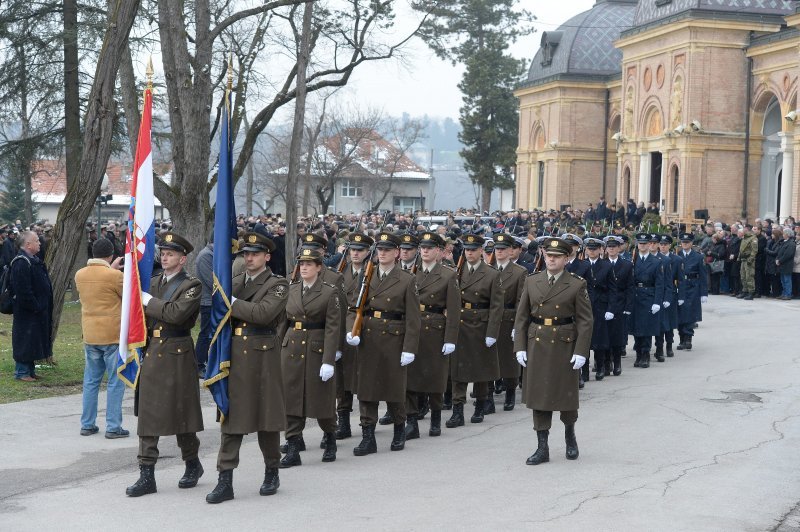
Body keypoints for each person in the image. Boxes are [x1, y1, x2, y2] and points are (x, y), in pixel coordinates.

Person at [205, 232, 289, 503]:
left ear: (267, 256)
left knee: (267, 419)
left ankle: (271, 471)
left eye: (254, 253)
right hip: (235, 358)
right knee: (232, 420)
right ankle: (225, 479)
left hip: (262, 356)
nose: (249, 258)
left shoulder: (278, 284)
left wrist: (230, 302)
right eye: (245, 254)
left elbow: (263, 314)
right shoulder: (235, 282)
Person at [126, 232, 204, 498]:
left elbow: (176, 314)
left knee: (182, 414)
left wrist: (147, 301)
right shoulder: (153, 281)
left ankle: (192, 463)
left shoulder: (192, 286)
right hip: (152, 351)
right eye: (163, 252)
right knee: (148, 415)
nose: (165, 257)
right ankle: (146, 475)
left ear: (183, 259)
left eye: (171, 254)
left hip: (177, 354)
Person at [513, 237, 593, 466]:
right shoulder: (532, 281)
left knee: (565, 396)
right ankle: (542, 446)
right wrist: (519, 346)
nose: (552, 260)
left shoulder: (576, 284)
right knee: (539, 397)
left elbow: (586, 321)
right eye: (549, 256)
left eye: (557, 257)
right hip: (537, 343)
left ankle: (570, 433)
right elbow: (521, 318)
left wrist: (581, 351)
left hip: (564, 344)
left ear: (567, 259)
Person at [345, 232, 421, 455]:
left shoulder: (407, 279)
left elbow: (413, 318)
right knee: (367, 389)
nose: (383, 253)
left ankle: (399, 429)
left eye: (387, 250)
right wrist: (352, 329)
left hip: (394, 337)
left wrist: (409, 348)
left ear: (397, 253)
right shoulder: (367, 276)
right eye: (380, 250)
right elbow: (354, 307)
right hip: (369, 336)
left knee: (393, 388)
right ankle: (368, 436)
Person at [278, 248, 342, 469]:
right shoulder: (291, 289)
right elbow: (282, 323)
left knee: (321, 399)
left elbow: (333, 328)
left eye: (309, 263)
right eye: (301, 263)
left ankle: (331, 438)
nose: (304, 267)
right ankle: (293, 446)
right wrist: (277, 350)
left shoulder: (328, 292)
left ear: (318, 267)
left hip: (316, 348)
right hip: (292, 347)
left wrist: (329, 359)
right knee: (292, 400)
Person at [403, 232, 460, 438]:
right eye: (422, 248)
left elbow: (454, 309)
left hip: (435, 329)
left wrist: (450, 338)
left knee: (435, 377)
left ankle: (436, 418)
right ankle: (411, 420)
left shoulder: (448, 274)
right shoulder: (410, 273)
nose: (425, 251)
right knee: (409, 377)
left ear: (439, 251)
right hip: (412, 329)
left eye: (429, 248)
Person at [446, 234, 502, 428]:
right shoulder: (457, 272)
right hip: (461, 323)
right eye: (467, 250)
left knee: (480, 370)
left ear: (481, 251)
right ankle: (457, 410)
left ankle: (480, 406)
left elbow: (496, 306)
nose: (469, 253)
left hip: (480, 324)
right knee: (458, 370)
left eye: (473, 250)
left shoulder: (492, 274)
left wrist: (492, 332)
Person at [74, 237, 128, 438]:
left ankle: (87, 424)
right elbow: (126, 297)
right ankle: (113, 426)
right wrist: (114, 270)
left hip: (90, 333)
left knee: (91, 381)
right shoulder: (115, 276)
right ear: (111, 254)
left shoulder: (80, 275)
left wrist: (111, 268)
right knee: (115, 381)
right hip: (112, 334)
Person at [9, 231, 53, 381]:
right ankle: (22, 372)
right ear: (28, 244)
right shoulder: (21, 262)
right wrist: (35, 306)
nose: (39, 243)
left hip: (37, 311)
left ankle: (30, 371)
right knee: (25, 340)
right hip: (27, 312)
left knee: (33, 340)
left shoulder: (34, 259)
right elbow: (23, 291)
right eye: (36, 241)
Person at [492, 234, 528, 409]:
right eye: (497, 249)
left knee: (509, 359)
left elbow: (521, 301)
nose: (499, 252)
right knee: (489, 357)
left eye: (503, 249)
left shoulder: (519, 272)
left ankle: (510, 391)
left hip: (508, 318)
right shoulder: (488, 269)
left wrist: (517, 326)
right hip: (489, 318)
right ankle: (488, 390)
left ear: (510, 251)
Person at [628, 233, 665, 368]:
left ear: (650, 245)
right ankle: (638, 355)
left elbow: (660, 284)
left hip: (649, 296)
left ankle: (645, 355)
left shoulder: (656, 262)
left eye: (645, 244)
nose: (642, 246)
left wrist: (657, 302)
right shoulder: (633, 260)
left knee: (646, 328)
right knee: (636, 328)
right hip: (635, 296)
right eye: (640, 243)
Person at [583, 237, 616, 381]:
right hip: (585, 305)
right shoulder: (583, 265)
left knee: (599, 338)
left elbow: (612, 289)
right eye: (589, 249)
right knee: (584, 339)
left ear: (600, 250)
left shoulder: (607, 266)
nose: (592, 251)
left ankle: (601, 366)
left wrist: (611, 308)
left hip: (601, 305)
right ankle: (584, 371)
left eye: (594, 249)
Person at [603, 235, 634, 376]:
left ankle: (617, 362)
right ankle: (606, 362)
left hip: (620, 303)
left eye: (614, 247)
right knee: (605, 334)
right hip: (605, 303)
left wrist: (628, 307)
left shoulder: (627, 264)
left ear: (619, 248)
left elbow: (630, 288)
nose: (611, 249)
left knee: (617, 335)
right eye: (609, 247)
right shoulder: (602, 263)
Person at [675, 233, 708, 350]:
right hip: (680, 287)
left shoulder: (698, 257)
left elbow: (703, 276)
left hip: (693, 286)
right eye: (683, 242)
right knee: (680, 314)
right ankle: (681, 338)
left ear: (691, 243)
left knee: (690, 313)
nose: (685, 244)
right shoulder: (677, 255)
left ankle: (688, 338)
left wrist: (704, 293)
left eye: (687, 242)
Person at [194, 234, 214, 377]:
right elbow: (211, 281)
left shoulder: (210, 254)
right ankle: (199, 364)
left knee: (209, 333)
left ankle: (205, 361)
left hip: (211, 300)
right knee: (205, 333)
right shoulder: (206, 256)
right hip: (207, 301)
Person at [737, 225, 757, 300]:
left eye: (744, 229)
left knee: (749, 276)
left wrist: (750, 259)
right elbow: (741, 249)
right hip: (743, 259)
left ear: (747, 230)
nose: (743, 230)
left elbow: (754, 250)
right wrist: (739, 257)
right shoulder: (744, 238)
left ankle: (751, 292)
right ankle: (744, 291)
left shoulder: (753, 238)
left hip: (749, 260)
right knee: (743, 276)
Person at [776, 228, 796, 300]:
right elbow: (779, 252)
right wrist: (777, 259)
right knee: (783, 280)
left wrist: (780, 260)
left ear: (787, 234)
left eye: (784, 233)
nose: (783, 235)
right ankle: (784, 293)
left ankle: (788, 294)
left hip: (787, 265)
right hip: (782, 264)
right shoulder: (784, 242)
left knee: (787, 280)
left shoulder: (791, 243)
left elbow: (788, 254)